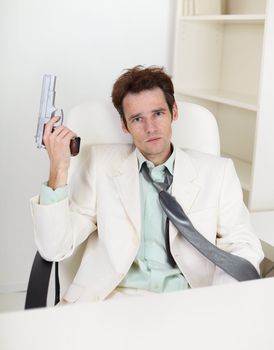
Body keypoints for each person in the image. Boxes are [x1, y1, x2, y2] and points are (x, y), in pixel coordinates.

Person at [31, 66, 264, 303]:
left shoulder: (218, 172)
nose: (150, 128)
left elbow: (243, 244)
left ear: (174, 112)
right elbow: (54, 248)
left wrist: (218, 298)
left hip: (187, 301)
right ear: (124, 125)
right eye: (137, 119)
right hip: (112, 299)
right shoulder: (100, 165)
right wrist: (58, 169)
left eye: (158, 114)